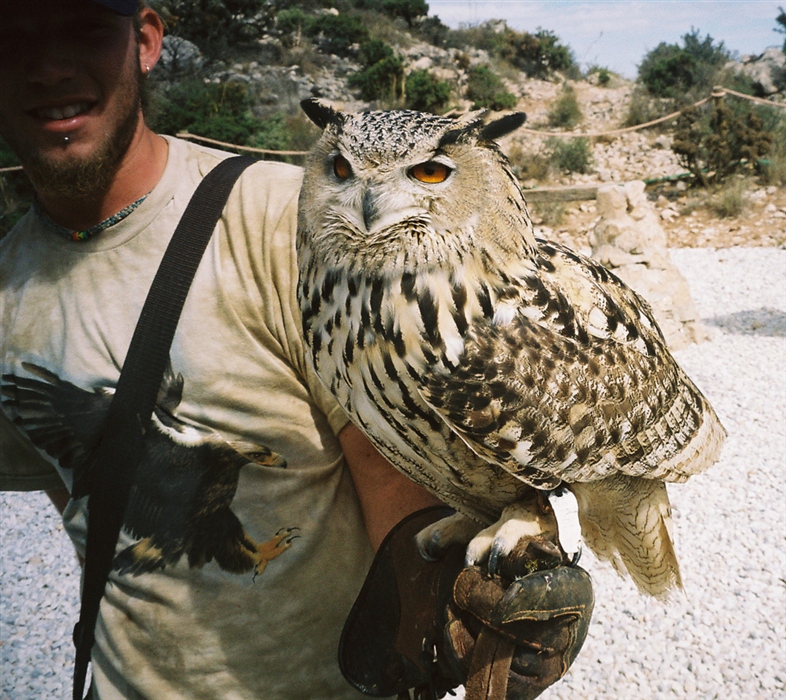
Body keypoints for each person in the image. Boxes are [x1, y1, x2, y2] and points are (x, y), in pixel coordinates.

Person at [0, 1, 592, 698]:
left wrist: (457, 596)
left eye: (83, 27)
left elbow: (402, 483)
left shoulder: (292, 223)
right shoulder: (9, 291)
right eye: (11, 38)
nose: (48, 66)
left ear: (146, 39)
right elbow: (78, 491)